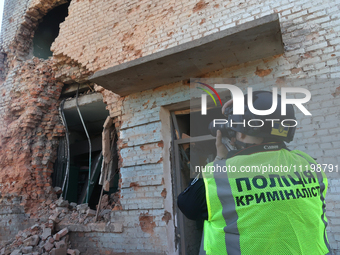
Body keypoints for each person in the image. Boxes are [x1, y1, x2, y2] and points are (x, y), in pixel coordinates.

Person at [177, 91, 331, 255]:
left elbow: (187, 205)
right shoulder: (308, 163)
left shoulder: (219, 174)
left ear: (242, 133)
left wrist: (220, 159)